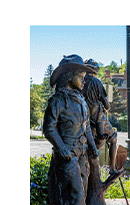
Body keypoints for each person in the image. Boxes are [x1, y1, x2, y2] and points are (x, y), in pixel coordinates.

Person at [43, 54, 98, 205]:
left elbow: (86, 126)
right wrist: (61, 148)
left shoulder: (81, 101)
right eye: (81, 76)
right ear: (69, 76)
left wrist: (92, 146)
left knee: (83, 194)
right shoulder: (57, 100)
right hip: (67, 156)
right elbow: (49, 128)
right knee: (75, 197)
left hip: (82, 154)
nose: (83, 80)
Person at [82, 59, 118, 205]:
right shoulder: (96, 82)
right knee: (114, 137)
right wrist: (107, 104)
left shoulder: (80, 81)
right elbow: (107, 105)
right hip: (97, 117)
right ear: (95, 70)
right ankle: (112, 167)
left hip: (83, 118)